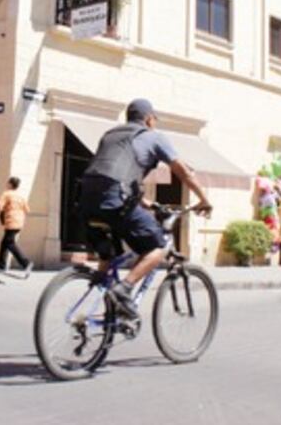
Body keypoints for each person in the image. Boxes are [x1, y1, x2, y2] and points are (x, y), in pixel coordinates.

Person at [79, 98, 212, 319]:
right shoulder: (153, 137)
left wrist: (147, 204)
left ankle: (101, 309)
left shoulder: (111, 135)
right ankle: (124, 290)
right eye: (154, 120)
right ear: (149, 119)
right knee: (157, 247)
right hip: (115, 200)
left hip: (86, 200)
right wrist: (203, 199)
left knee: (108, 255)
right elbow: (183, 172)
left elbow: (113, 176)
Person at [0, 176, 33, 277]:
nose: (6, 184)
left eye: (8, 182)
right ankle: (1, 267)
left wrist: (0, 214)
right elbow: (27, 209)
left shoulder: (6, 194)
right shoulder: (20, 196)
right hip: (19, 222)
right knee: (4, 243)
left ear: (10, 184)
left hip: (11, 221)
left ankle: (26, 263)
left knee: (10, 244)